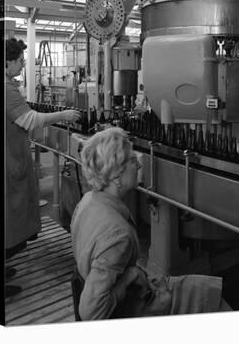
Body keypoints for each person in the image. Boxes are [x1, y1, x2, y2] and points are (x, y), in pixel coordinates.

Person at [70, 126, 230, 320]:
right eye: (132, 160)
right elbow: (90, 313)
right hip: (132, 308)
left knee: (204, 288)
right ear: (116, 176)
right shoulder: (117, 236)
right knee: (211, 298)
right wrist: (130, 277)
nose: (138, 165)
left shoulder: (87, 201)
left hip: (132, 290)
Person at [0, 36, 81, 297]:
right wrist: (64, 115)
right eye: (18, 61)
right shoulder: (5, 90)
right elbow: (29, 119)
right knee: (5, 219)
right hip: (7, 163)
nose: (22, 65)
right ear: (6, 63)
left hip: (8, 158)